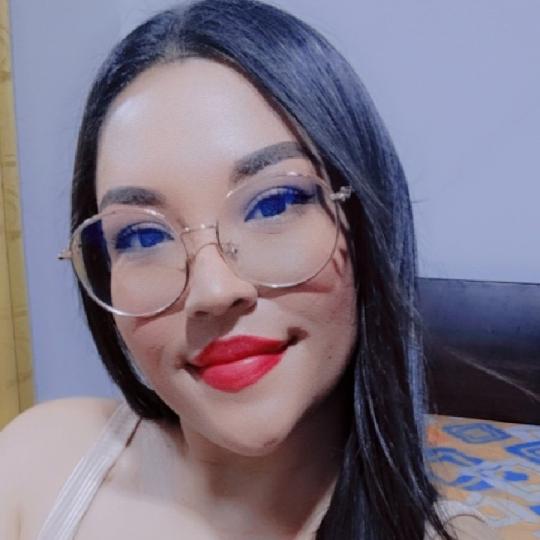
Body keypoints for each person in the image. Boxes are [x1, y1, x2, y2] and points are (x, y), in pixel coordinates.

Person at [0, 1, 497, 538]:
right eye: (143, 236)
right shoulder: (39, 464)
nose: (213, 290)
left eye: (274, 203)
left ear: (363, 219)